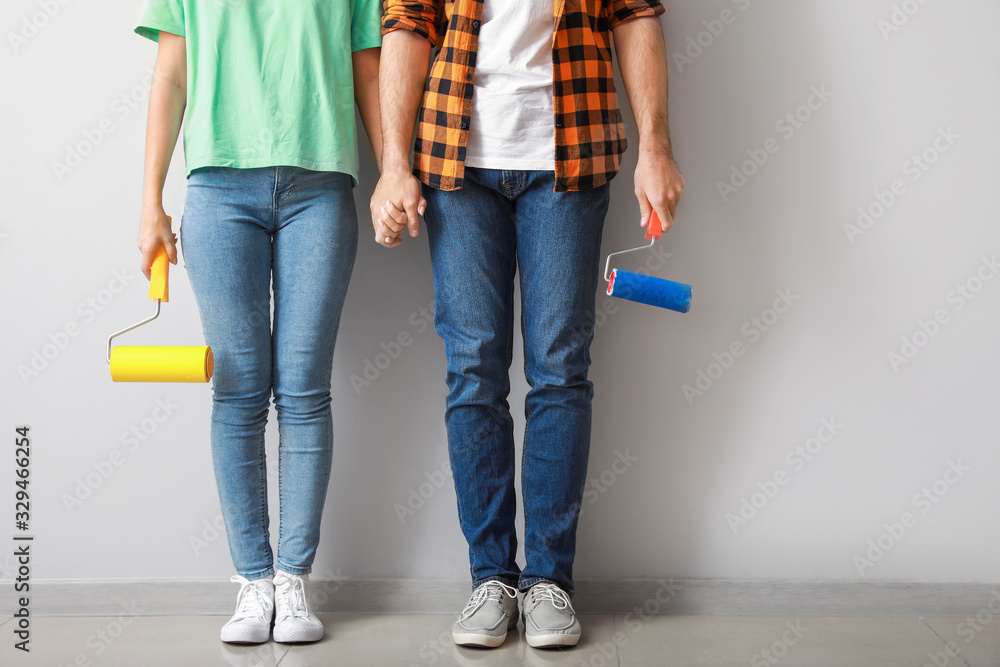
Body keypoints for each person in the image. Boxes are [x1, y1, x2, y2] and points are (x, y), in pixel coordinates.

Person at [371, 0, 684, 650]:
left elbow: (636, 16)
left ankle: (548, 581)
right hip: (457, 164)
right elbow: (407, 24)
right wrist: (393, 164)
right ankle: (491, 577)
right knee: (473, 372)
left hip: (570, 158)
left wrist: (656, 146)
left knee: (560, 372)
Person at [133, 0, 382, 645]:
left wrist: (395, 173)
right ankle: (253, 581)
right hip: (217, 189)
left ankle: (293, 579)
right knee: (237, 389)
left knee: (303, 388)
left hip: (321, 187)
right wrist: (149, 203)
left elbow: (367, 70)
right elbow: (170, 75)